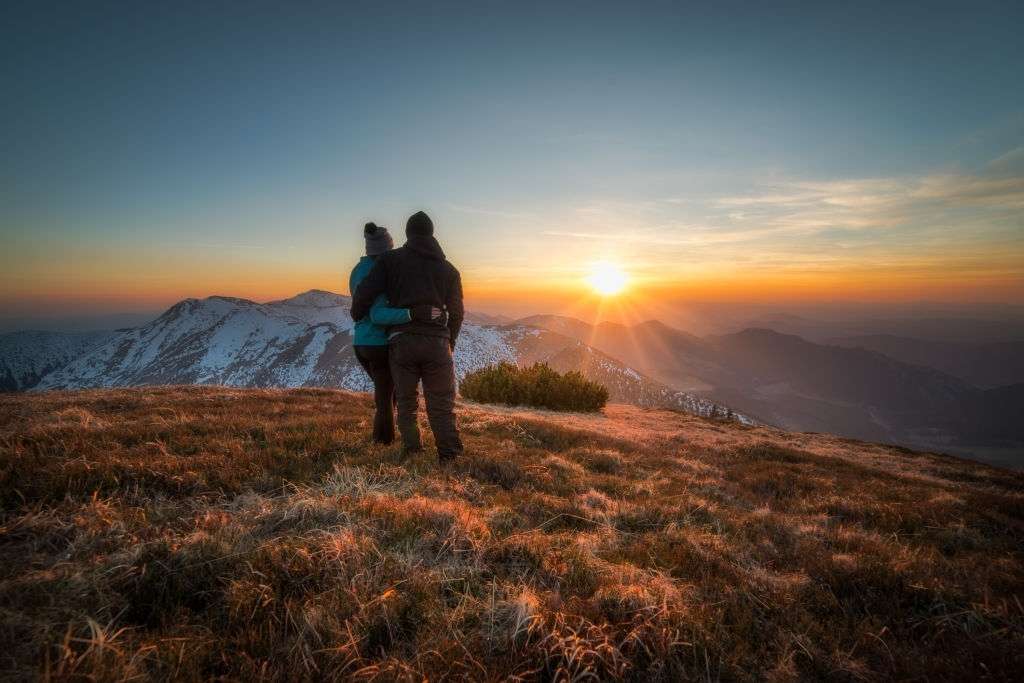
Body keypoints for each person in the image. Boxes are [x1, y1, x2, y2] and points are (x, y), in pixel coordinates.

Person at [350, 211, 464, 463]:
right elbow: (456, 313)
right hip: (437, 343)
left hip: (401, 343)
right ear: (432, 233)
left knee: (406, 403)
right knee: (441, 404)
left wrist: (357, 313)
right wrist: (449, 342)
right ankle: (450, 456)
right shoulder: (449, 270)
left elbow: (366, 291)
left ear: (408, 234)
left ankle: (413, 452)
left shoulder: (390, 261)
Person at [349, 222, 414, 445]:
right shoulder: (379, 271)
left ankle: (383, 438)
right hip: (378, 343)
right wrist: (410, 314)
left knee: (387, 393)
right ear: (385, 250)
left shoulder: (357, 270)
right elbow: (377, 315)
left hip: (360, 342)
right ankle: (382, 442)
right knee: (385, 396)